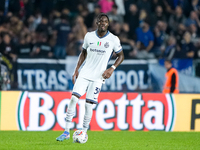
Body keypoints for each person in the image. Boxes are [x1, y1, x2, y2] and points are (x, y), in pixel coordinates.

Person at [56, 13, 124, 141]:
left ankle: (83, 131)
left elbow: (121, 56)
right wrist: (76, 70)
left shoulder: (113, 39)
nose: (103, 23)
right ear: (97, 23)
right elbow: (83, 53)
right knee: (73, 99)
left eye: (105, 21)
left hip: (99, 77)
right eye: (100, 21)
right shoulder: (89, 36)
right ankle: (66, 131)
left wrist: (112, 68)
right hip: (85, 73)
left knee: (88, 105)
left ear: (108, 24)